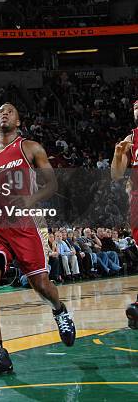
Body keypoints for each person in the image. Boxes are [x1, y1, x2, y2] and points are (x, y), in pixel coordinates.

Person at [0, 103, 76, 377]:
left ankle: (60, 310)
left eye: (9, 110)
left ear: (19, 120)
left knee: (40, 284)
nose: (4, 113)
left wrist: (29, 199)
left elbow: (52, 185)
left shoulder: (30, 148)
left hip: (22, 224)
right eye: (0, 111)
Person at [111, 99, 138, 328]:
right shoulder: (131, 139)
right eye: (135, 107)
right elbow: (116, 175)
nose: (137, 110)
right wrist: (118, 154)